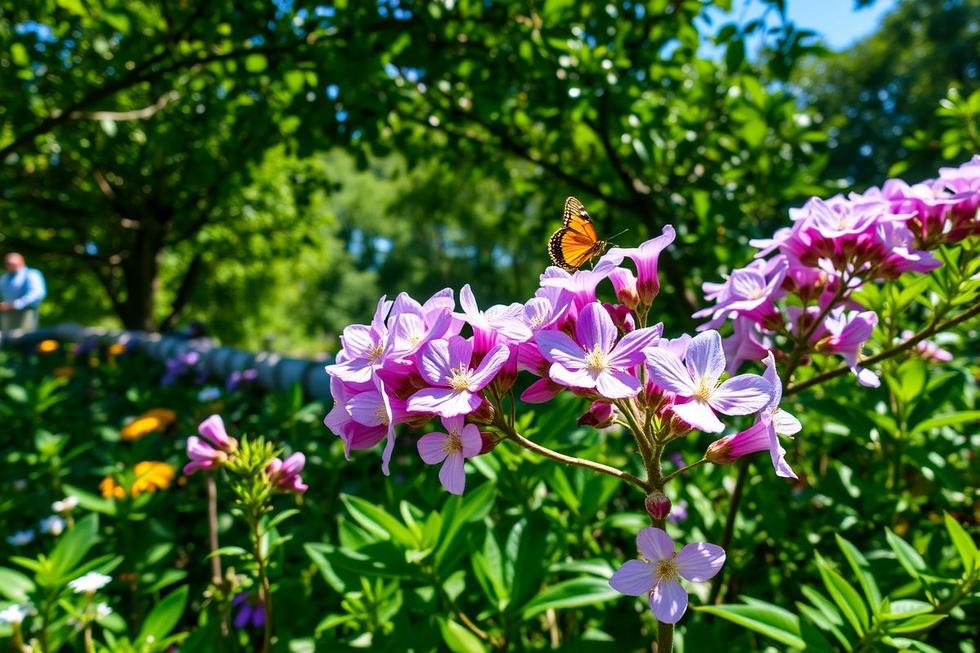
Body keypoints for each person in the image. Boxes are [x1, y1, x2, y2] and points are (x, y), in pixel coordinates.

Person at [0, 253, 47, 335]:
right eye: (8, 263)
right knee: (8, 340)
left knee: (25, 338)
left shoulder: (31, 274)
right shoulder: (4, 277)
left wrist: (17, 303)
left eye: (13, 263)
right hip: (7, 313)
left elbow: (38, 293)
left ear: (21, 262)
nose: (11, 265)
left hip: (26, 312)